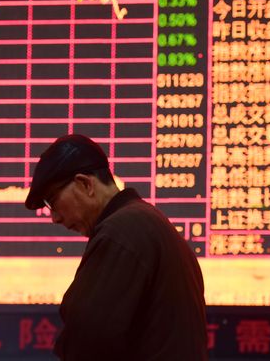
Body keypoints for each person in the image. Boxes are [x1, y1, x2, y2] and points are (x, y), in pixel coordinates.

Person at [25, 134, 208, 360]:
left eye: (52, 202)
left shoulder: (120, 232)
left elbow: (88, 339)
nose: (54, 218)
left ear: (85, 184)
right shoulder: (145, 221)